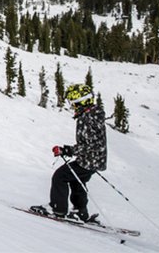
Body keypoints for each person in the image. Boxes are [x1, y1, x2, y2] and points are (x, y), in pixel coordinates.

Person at [34, 84, 107, 221]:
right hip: (95, 159)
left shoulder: (87, 119)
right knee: (77, 180)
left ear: (80, 101)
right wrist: (70, 150)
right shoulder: (92, 115)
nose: (72, 105)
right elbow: (90, 144)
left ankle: (57, 209)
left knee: (60, 176)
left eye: (73, 102)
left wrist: (67, 150)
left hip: (89, 159)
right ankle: (80, 212)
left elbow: (89, 145)